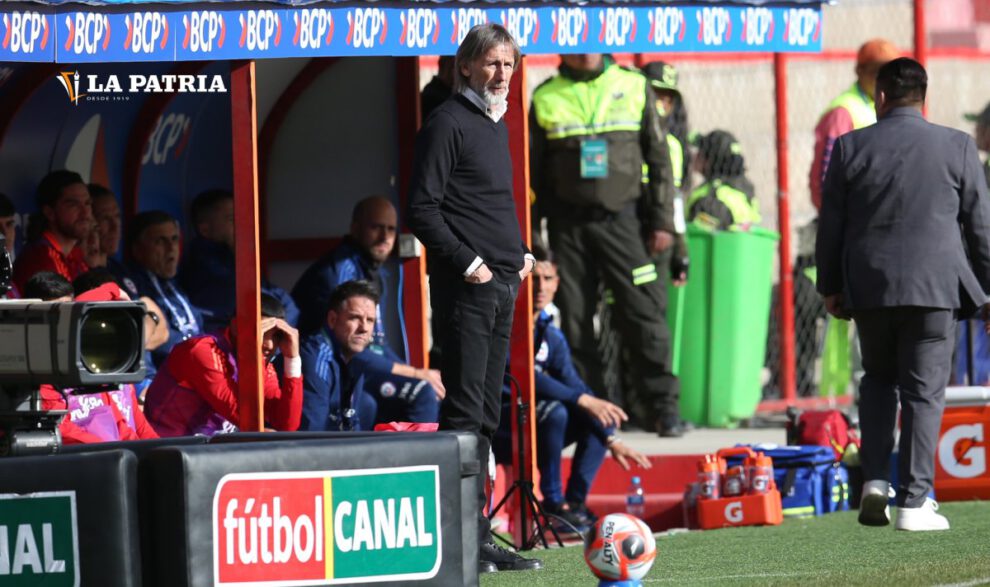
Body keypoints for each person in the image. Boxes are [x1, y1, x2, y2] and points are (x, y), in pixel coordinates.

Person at [816, 57, 990, 532]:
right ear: (924, 97)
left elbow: (831, 226)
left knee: (878, 379)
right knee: (923, 393)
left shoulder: (850, 147)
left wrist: (830, 286)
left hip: (870, 288)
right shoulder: (955, 146)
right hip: (935, 288)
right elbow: (980, 227)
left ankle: (875, 480)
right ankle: (914, 501)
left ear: (880, 97)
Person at [407, 23, 541, 574]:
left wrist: (522, 252)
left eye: (508, 64)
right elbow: (423, 209)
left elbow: (486, 203)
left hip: (505, 283)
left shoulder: (494, 121)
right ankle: (458, 540)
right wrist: (472, 264)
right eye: (490, 63)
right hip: (470, 290)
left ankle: (478, 535)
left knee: (485, 415)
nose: (501, 74)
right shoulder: (447, 123)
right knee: (464, 416)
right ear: (464, 65)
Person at [530, 53, 686, 437]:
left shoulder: (634, 86)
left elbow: (659, 158)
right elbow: (531, 172)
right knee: (577, 318)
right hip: (569, 228)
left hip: (624, 223)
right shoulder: (546, 95)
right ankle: (594, 410)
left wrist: (662, 221)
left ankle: (662, 408)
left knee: (644, 314)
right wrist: (534, 235)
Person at [494, 246, 651, 532]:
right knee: (557, 412)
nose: (541, 286)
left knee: (599, 416)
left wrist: (610, 437)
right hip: (500, 426)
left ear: (557, 284)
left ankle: (574, 505)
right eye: (535, 278)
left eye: (548, 278)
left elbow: (571, 381)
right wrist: (582, 399)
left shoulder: (549, 332)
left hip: (533, 424)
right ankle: (553, 505)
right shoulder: (503, 323)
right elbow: (523, 376)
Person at [292, 195, 442, 425]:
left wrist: (415, 371)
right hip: (328, 366)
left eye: (391, 229)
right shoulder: (341, 270)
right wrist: (416, 374)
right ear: (355, 228)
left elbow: (377, 344)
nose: (385, 237)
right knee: (422, 392)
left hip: (358, 363)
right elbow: (347, 343)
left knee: (430, 387)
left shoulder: (375, 272)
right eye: (376, 227)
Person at [144, 293, 302, 437]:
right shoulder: (202, 351)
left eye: (276, 336)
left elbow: (286, 424)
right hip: (169, 451)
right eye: (259, 332)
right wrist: (254, 348)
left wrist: (292, 359)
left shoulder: (262, 364)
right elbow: (245, 418)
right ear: (235, 327)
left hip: (208, 453)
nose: (268, 344)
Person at [40, 281, 160, 444]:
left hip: (114, 459)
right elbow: (63, 430)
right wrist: (112, 290)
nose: (65, 325)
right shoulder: (43, 375)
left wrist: (159, 450)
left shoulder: (101, 368)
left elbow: (130, 429)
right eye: (58, 316)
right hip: (86, 462)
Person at [179, 189, 299, 331]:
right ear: (205, 230)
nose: (240, 225)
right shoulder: (203, 264)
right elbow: (257, 302)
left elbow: (283, 302)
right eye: (231, 219)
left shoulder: (231, 256)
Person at [810, 38, 899, 211]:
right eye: (877, 71)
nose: (885, 79)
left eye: (891, 72)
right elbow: (827, 175)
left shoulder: (893, 106)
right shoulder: (843, 112)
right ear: (860, 71)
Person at [123, 211, 204, 367]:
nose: (171, 248)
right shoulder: (132, 285)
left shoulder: (178, 282)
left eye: (174, 239)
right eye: (160, 241)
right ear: (137, 249)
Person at [298, 280, 379, 431]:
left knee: (368, 404)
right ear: (332, 320)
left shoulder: (354, 356)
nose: (364, 328)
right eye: (354, 318)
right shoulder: (316, 357)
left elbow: (352, 427)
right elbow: (311, 435)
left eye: (370, 320)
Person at [12, 170, 92, 293]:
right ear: (49, 212)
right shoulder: (40, 257)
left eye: (87, 203)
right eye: (73, 205)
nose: (85, 213)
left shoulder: (75, 255)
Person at [688, 130, 760, 230]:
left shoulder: (713, 198)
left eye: (701, 152)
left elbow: (700, 238)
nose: (695, 155)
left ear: (710, 160)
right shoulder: (745, 191)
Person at [641, 61, 692, 191]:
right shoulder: (626, 138)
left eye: (667, 99)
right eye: (656, 95)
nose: (662, 104)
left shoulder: (674, 146)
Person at [89, 184, 128, 278]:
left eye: (117, 216)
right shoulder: (79, 273)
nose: (115, 227)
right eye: (105, 218)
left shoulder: (121, 271)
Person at [421, 55, 455, 120]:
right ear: (442, 66)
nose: (454, 72)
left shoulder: (454, 92)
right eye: (452, 67)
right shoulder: (431, 94)